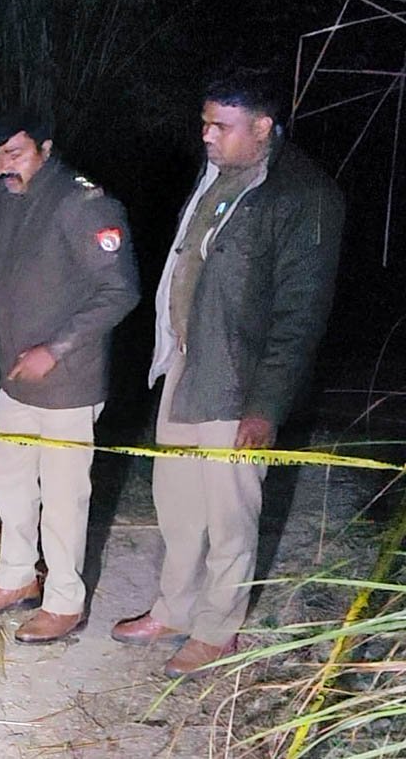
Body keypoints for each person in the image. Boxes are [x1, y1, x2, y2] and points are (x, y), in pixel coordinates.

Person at [111, 68, 344, 677]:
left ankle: (217, 630)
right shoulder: (216, 175)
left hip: (239, 383)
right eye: (205, 123)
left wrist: (266, 406)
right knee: (177, 504)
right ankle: (174, 609)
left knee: (230, 515)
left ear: (263, 126)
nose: (207, 136)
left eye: (222, 126)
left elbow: (300, 315)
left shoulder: (304, 196)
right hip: (187, 364)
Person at [0, 109, 140, 643]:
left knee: (63, 498)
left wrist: (55, 349)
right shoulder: (3, 198)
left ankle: (65, 601)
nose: (5, 165)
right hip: (16, 376)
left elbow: (120, 290)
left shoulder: (82, 203)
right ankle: (17, 578)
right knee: (11, 484)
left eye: (15, 153)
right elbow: (1, 280)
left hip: (68, 380)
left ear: (45, 148)